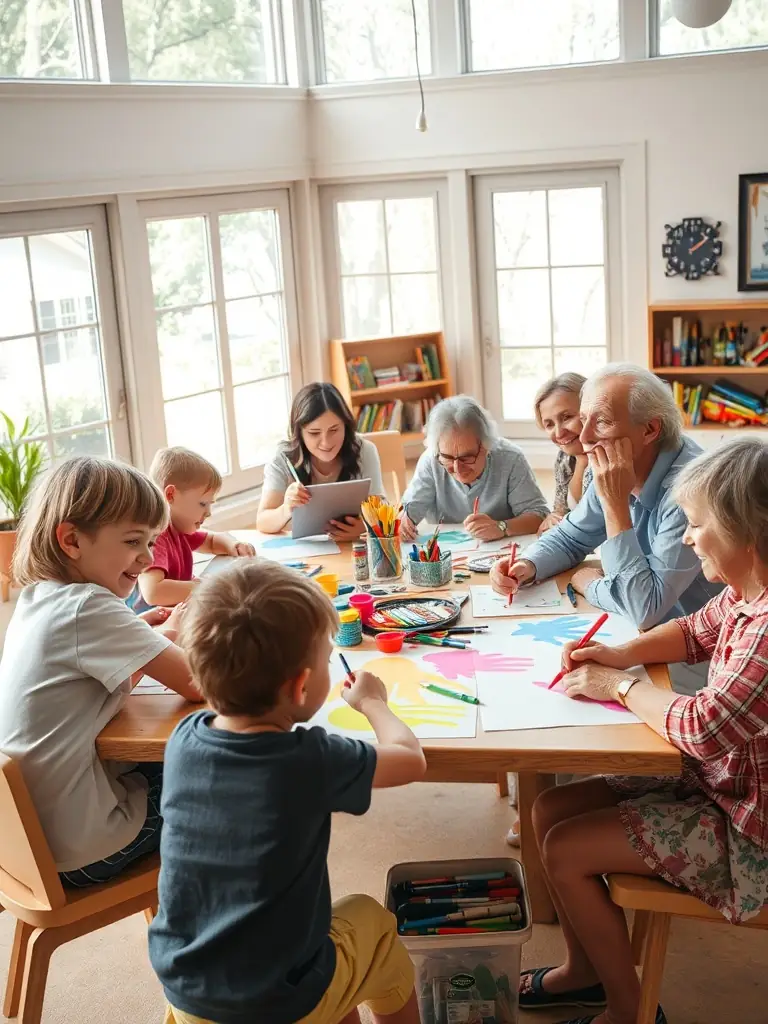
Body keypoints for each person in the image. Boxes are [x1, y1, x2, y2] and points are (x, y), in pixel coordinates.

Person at [517, 438, 768, 1024]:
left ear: (744, 533)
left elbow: (701, 727)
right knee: (550, 809)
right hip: (718, 787)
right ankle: (586, 975)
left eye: (698, 525)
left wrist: (619, 685)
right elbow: (689, 632)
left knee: (565, 848)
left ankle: (629, 1012)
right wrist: (621, 651)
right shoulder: (744, 592)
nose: (686, 536)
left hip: (751, 833)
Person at [149, 559, 425, 1024]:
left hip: (187, 991)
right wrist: (372, 702)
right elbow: (410, 758)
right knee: (370, 922)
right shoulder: (307, 759)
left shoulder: (183, 739)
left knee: (328, 941)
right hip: (280, 1001)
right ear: (300, 685)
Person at [0, 457, 202, 886]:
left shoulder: (40, 597)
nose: (146, 557)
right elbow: (197, 683)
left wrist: (152, 641)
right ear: (71, 539)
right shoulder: (88, 606)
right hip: (84, 848)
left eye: (151, 541)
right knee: (223, 778)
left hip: (31, 848)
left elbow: (95, 681)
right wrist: (178, 638)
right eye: (133, 541)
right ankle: (218, 924)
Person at [490, 363, 721, 694]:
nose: (583, 439)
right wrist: (528, 564)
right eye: (583, 421)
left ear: (650, 429)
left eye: (601, 422)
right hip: (643, 640)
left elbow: (645, 608)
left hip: (697, 665)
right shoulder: (614, 464)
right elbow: (572, 535)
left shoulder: (690, 490)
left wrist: (592, 583)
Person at [400, 395, 548, 542]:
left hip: (500, 552)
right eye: (448, 458)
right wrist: (404, 521)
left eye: (467, 457)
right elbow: (410, 508)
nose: (458, 468)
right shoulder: (432, 460)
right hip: (446, 553)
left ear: (486, 446)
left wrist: (502, 527)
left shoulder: (511, 459)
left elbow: (539, 515)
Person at [257, 382, 385, 542]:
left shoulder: (364, 450)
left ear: (346, 426)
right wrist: (285, 509)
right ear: (299, 433)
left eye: (334, 430)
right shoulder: (283, 458)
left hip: (352, 549)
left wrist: (366, 527)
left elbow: (382, 512)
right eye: (314, 433)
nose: (326, 442)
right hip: (303, 553)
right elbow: (263, 521)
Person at [136, 446, 255, 609]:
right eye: (202, 504)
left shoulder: (180, 528)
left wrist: (234, 545)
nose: (208, 513)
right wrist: (209, 587)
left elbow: (212, 541)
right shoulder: (157, 536)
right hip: (153, 624)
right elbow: (153, 592)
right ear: (171, 495)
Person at [534, 372, 593, 535]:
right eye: (549, 424)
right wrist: (551, 521)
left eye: (567, 417)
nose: (559, 433)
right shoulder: (564, 457)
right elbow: (559, 515)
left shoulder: (614, 455)